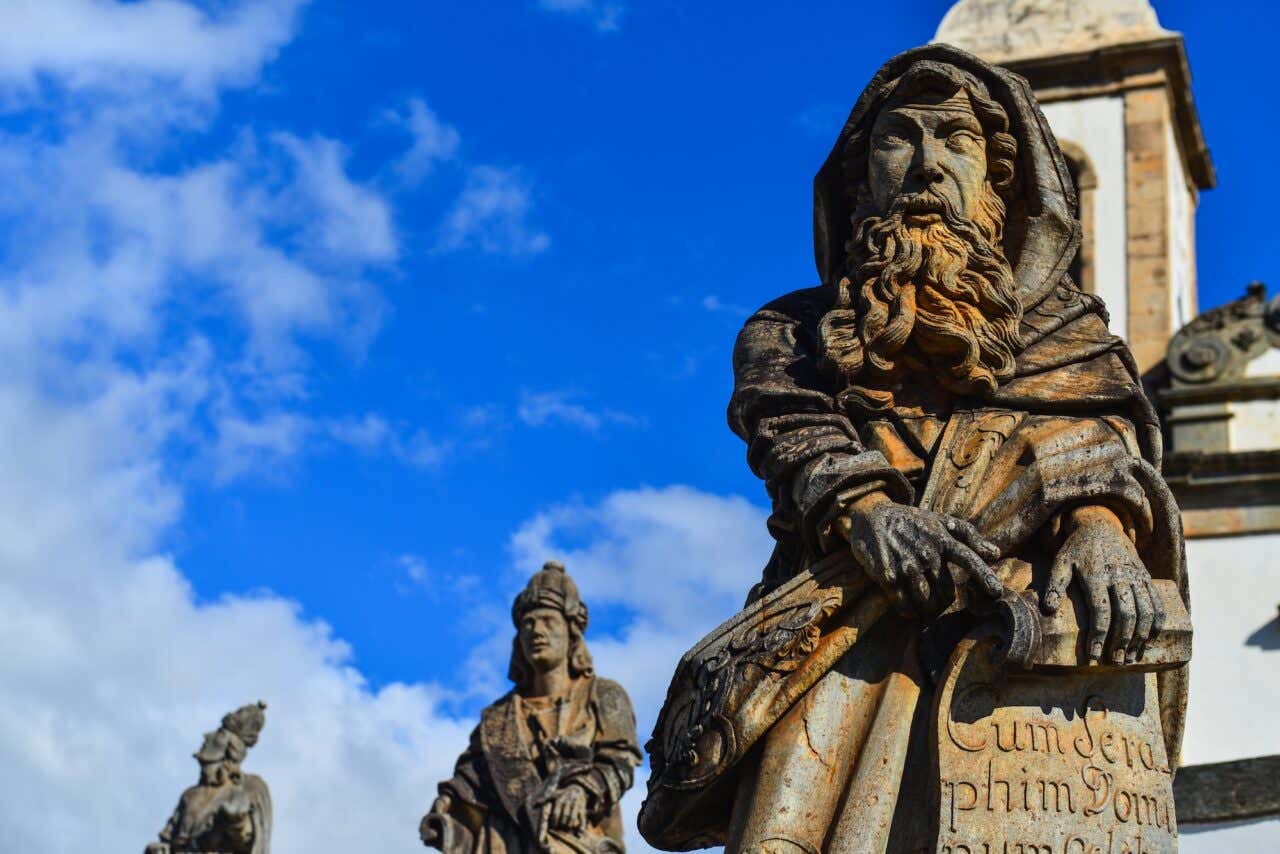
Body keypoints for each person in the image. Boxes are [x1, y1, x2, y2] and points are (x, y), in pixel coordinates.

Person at [640, 44, 1189, 853]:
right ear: (860, 181)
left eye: (958, 142)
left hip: (1028, 677)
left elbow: (1107, 449)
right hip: (845, 652)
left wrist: (1101, 528)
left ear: (1001, 188)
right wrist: (868, 512)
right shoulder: (789, 332)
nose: (930, 164)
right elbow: (793, 436)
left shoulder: (1076, 342)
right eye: (902, 139)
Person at [421, 561, 641, 853]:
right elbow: (470, 779)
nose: (536, 631)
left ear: (571, 633)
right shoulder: (498, 719)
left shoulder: (604, 695)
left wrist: (582, 790)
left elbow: (620, 761)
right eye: (528, 623)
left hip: (577, 841)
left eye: (548, 621)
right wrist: (447, 803)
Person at [146, 701, 272, 854]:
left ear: (232, 748)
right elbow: (168, 841)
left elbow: (247, 841)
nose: (207, 735)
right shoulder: (189, 795)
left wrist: (236, 821)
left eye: (220, 733)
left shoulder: (247, 789)